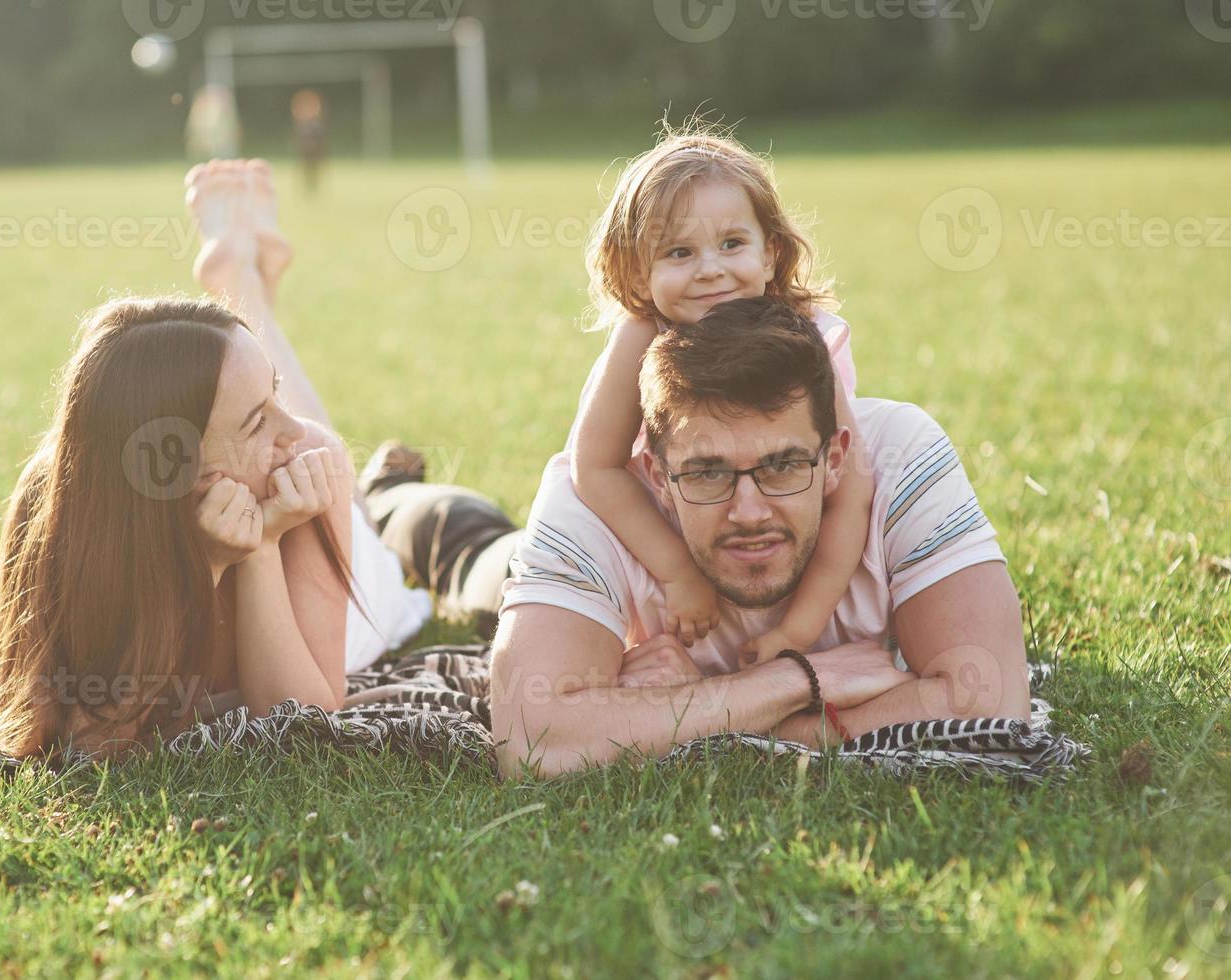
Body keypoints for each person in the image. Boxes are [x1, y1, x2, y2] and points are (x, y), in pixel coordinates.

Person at [362, 299, 1030, 778]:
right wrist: (806, 679)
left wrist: (691, 713)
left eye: (781, 466)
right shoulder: (589, 496)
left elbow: (990, 699)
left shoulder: (899, 456)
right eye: (708, 472)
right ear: (655, 473)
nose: (747, 511)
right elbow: (533, 742)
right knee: (471, 553)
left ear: (834, 457)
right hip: (539, 580)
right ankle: (392, 492)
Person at [0, 160, 430, 759]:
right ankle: (242, 278)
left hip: (361, 587)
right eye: (257, 422)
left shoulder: (305, 474)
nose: (296, 430)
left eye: (274, 398)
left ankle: (244, 287)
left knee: (348, 491)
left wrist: (263, 549)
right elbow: (78, 735)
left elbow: (304, 725)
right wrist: (207, 565)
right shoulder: (57, 501)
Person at [571, 126, 872, 663]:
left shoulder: (797, 335)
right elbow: (592, 465)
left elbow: (851, 487)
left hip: (778, 522)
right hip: (688, 512)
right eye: (679, 252)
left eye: (731, 244)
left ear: (771, 253)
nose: (710, 270)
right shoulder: (643, 334)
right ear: (639, 275)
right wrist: (678, 573)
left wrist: (797, 632)